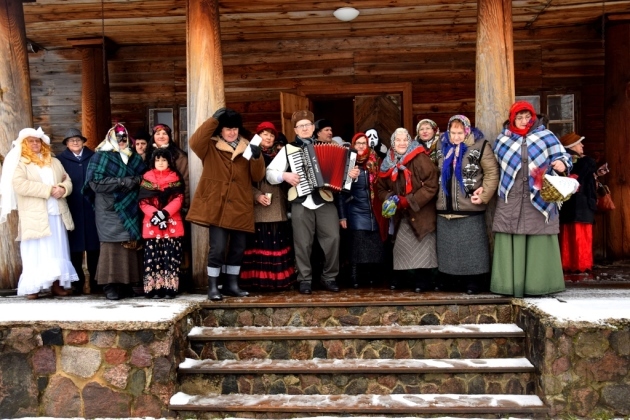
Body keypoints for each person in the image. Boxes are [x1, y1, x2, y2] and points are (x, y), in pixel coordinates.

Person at [266, 110, 359, 294]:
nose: (305, 128)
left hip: (325, 200)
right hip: (301, 201)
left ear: (313, 128)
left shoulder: (327, 145)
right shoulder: (288, 149)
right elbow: (269, 174)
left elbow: (342, 177)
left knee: (333, 239)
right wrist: (284, 175)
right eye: (301, 126)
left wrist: (351, 176)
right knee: (302, 242)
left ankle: (329, 277)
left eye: (308, 125)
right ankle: (305, 279)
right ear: (295, 129)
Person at [491, 101, 572, 297]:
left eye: (528, 117)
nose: (524, 121)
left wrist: (562, 163)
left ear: (533, 117)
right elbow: (492, 168)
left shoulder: (546, 135)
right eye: (519, 117)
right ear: (512, 118)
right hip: (512, 195)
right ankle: (510, 285)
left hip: (539, 194)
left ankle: (540, 285)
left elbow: (563, 155)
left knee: (539, 235)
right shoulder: (503, 139)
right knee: (512, 233)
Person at [186, 108, 265, 300]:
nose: (232, 132)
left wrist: (256, 157)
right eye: (228, 129)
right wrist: (213, 120)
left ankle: (231, 284)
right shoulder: (210, 147)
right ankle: (213, 286)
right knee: (218, 248)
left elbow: (257, 176)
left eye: (235, 129)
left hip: (240, 205)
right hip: (217, 205)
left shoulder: (248, 148)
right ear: (221, 130)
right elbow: (194, 142)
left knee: (238, 249)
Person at [0, 127, 78, 299]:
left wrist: (63, 189)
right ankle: (33, 287)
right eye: (31, 141)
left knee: (57, 248)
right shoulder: (21, 163)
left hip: (56, 211)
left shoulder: (54, 161)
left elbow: (67, 180)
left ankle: (57, 285)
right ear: (24, 144)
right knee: (36, 250)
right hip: (35, 214)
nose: (35, 144)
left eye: (38, 141)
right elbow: (20, 185)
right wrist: (49, 189)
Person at [435, 115, 499, 294]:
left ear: (467, 131)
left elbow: (492, 172)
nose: (456, 137)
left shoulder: (479, 145)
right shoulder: (441, 145)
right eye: (453, 133)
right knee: (449, 250)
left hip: (469, 206)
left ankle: (474, 282)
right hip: (444, 208)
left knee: (472, 250)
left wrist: (485, 194)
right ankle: (450, 281)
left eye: (460, 133)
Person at [83, 123, 147, 300]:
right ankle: (110, 285)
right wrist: (124, 182)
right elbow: (94, 183)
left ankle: (127, 283)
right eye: (118, 138)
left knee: (130, 245)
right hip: (109, 208)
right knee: (111, 246)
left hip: (130, 206)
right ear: (110, 138)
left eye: (124, 138)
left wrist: (134, 181)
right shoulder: (100, 156)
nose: (121, 141)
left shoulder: (134, 157)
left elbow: (143, 177)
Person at [377, 128, 439, 292]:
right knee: (401, 248)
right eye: (398, 140)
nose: (402, 143)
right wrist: (392, 198)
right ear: (392, 143)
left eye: (405, 140)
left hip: (420, 212)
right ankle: (400, 280)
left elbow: (432, 184)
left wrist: (409, 201)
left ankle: (422, 281)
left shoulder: (420, 158)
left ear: (410, 141)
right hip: (400, 214)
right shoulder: (387, 163)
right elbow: (381, 188)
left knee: (422, 245)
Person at [239, 122, 297, 290]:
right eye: (265, 134)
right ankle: (259, 282)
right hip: (258, 206)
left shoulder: (280, 154)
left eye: (271, 135)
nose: (269, 137)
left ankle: (277, 282)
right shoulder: (249, 154)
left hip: (277, 206)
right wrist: (256, 195)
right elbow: (242, 181)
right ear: (257, 136)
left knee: (276, 243)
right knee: (260, 243)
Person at [338, 132, 388, 288]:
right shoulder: (348, 163)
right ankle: (355, 277)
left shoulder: (376, 162)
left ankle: (373, 277)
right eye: (357, 143)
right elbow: (340, 194)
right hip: (356, 210)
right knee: (357, 247)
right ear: (353, 145)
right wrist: (342, 216)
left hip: (375, 210)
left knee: (375, 246)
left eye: (363, 143)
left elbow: (383, 184)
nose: (360, 146)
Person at [57, 128, 100, 295]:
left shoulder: (94, 157)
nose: (75, 142)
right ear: (66, 144)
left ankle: (96, 283)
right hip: (72, 205)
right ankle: (77, 282)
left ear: (83, 141)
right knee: (73, 247)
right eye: (71, 140)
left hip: (92, 206)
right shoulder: (59, 160)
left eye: (77, 139)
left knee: (94, 246)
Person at [139, 148, 185, 298]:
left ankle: (170, 288)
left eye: (164, 160)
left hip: (171, 222)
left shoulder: (175, 177)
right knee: (153, 257)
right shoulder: (147, 177)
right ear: (153, 162)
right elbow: (142, 201)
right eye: (157, 160)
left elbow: (179, 199)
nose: (160, 163)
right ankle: (153, 288)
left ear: (169, 162)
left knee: (170, 257)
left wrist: (164, 213)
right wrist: (155, 214)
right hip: (152, 223)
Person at [558, 132, 598, 273]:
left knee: (567, 236)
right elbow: (589, 165)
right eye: (579, 143)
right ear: (572, 146)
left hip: (568, 205)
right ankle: (581, 265)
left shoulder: (564, 160)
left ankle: (567, 263)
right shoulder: (583, 161)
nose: (582, 145)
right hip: (581, 204)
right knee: (582, 236)